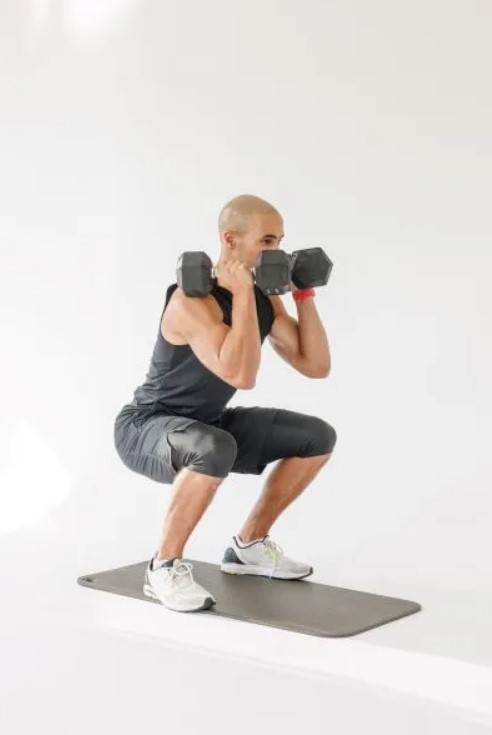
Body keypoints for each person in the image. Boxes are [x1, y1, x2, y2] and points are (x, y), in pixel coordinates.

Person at [113, 194, 337, 613]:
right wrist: (241, 296)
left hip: (210, 423)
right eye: (267, 241)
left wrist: (303, 296)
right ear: (230, 240)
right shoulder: (190, 301)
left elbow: (315, 364)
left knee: (316, 436)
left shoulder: (261, 297)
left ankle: (248, 546)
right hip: (147, 427)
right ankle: (162, 567)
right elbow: (241, 375)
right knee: (215, 447)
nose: (278, 253)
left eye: (281, 242)